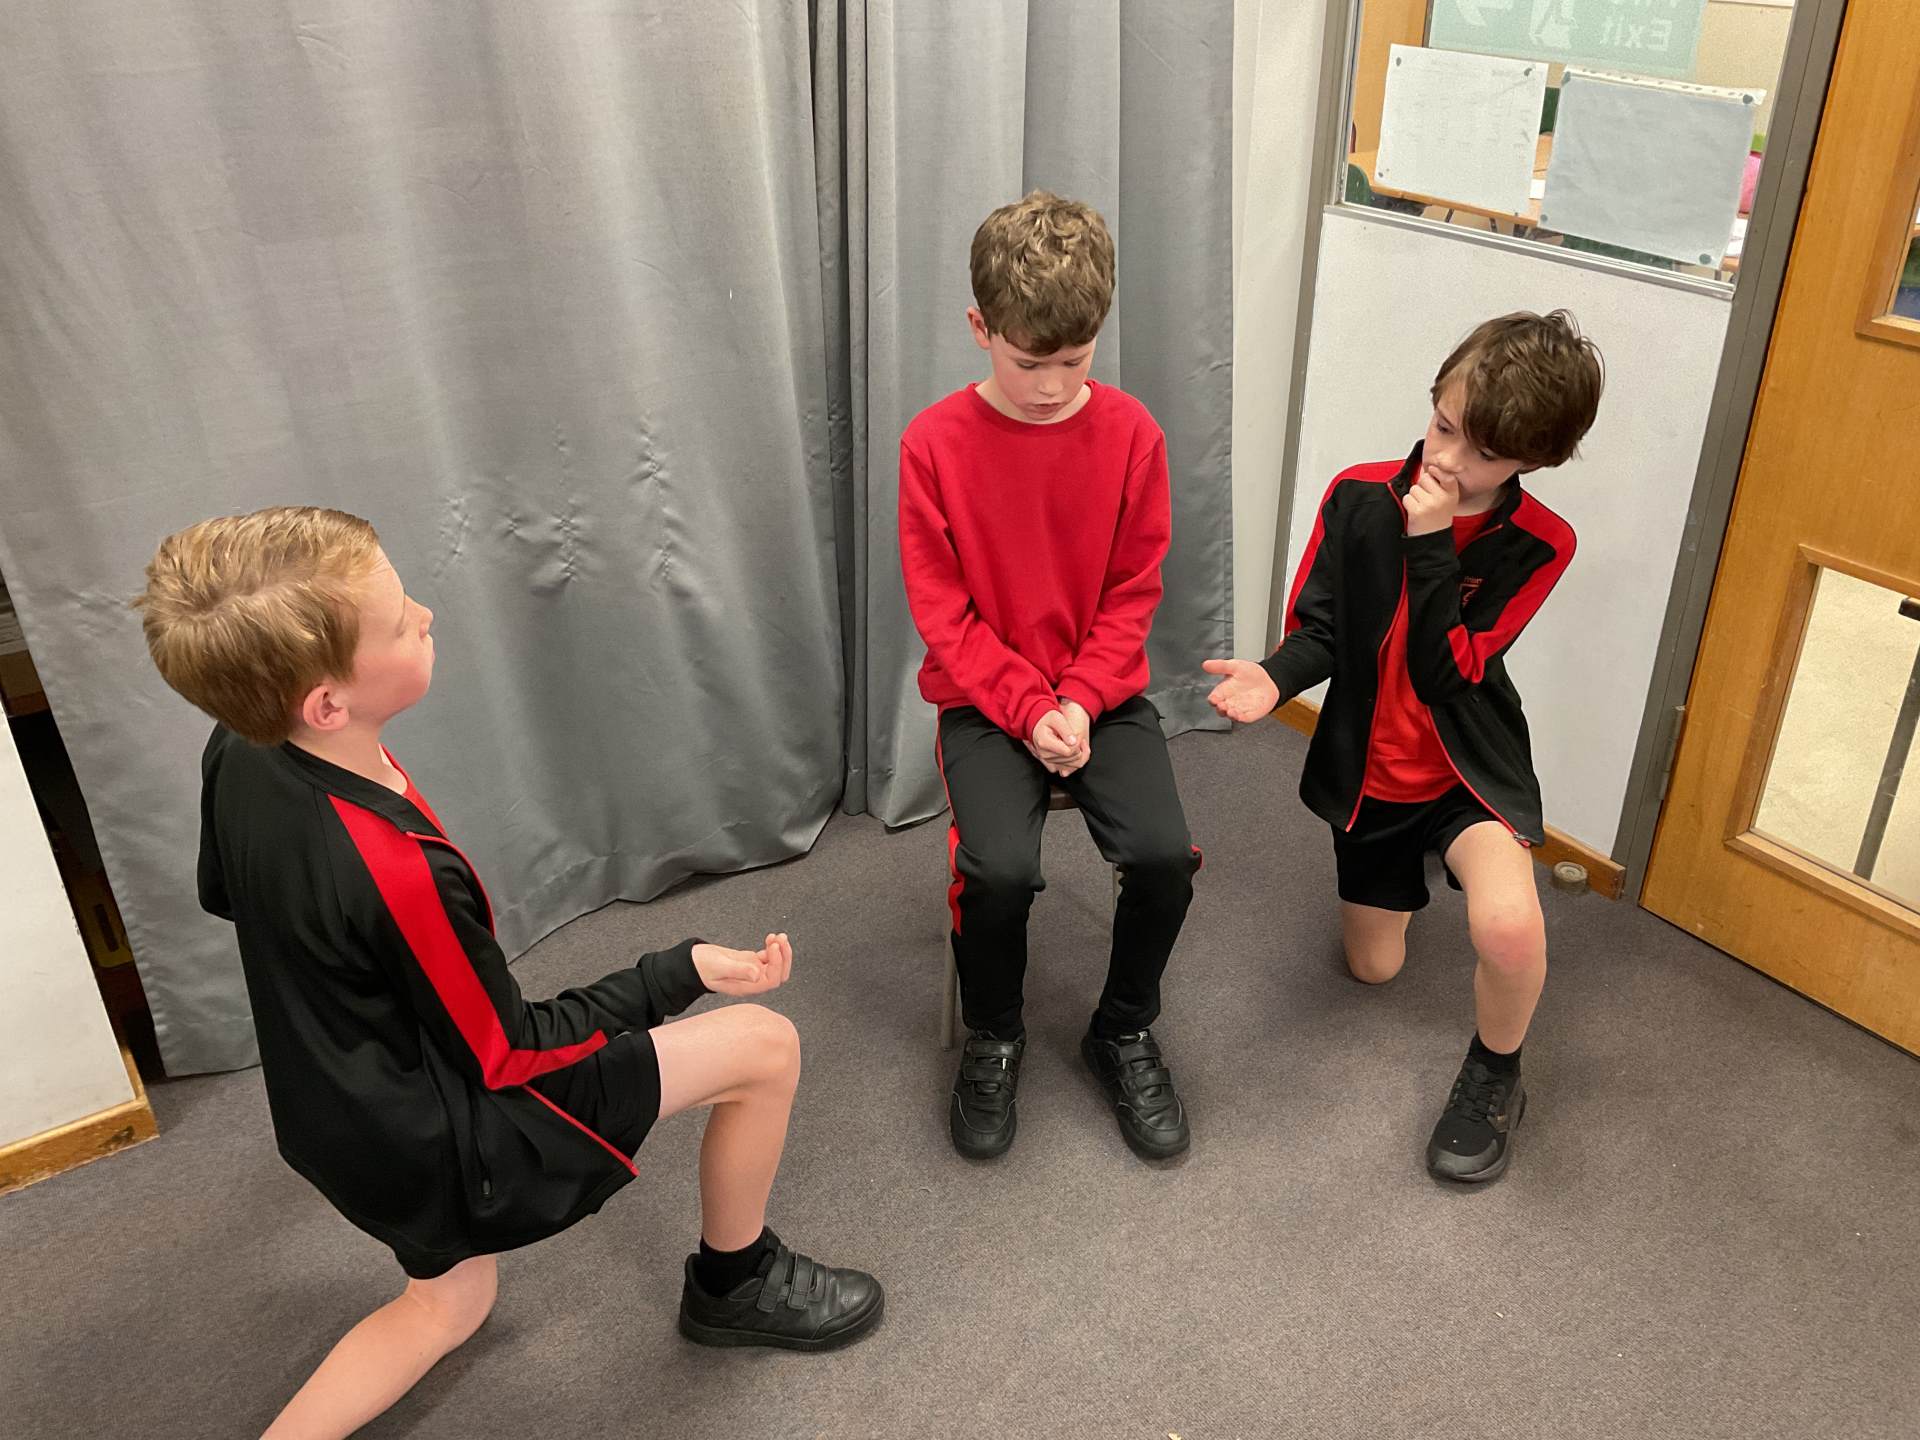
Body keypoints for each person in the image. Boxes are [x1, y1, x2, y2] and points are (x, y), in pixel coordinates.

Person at [136, 506, 882, 1439]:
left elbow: (225, 892)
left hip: (337, 1116)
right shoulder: (396, 871)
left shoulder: (240, 744)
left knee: (450, 1304)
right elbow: (510, 1052)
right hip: (446, 1135)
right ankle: (736, 1282)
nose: (426, 615)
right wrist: (675, 969)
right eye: (400, 620)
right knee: (765, 1047)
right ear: (327, 704)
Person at [1204, 311, 1604, 1183]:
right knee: (1374, 969)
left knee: (1507, 928)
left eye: (1484, 454)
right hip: (1373, 777)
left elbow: (1445, 674)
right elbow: (1321, 629)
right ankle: (1417, 865)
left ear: (1532, 462)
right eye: (1444, 426)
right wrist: (1274, 678)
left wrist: (1429, 545)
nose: (1448, 461)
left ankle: (1496, 1072)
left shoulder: (1541, 544)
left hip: (1466, 768)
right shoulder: (1356, 497)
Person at [899, 191, 1200, 1163]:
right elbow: (944, 615)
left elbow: (1134, 590)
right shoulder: (933, 445)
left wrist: (1077, 699)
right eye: (1030, 363)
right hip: (986, 701)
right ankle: (994, 1034)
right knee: (998, 871)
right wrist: (1030, 709)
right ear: (980, 328)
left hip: (1100, 695)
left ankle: (1122, 1030)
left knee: (1163, 858)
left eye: (1075, 361)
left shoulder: (1133, 435)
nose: (1052, 385)